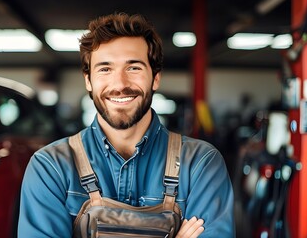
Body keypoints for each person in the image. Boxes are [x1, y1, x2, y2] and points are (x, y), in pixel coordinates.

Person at [18, 13, 235, 237]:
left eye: (134, 68)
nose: (120, 84)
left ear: (156, 78)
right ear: (88, 81)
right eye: (105, 69)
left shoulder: (200, 164)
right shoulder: (50, 167)